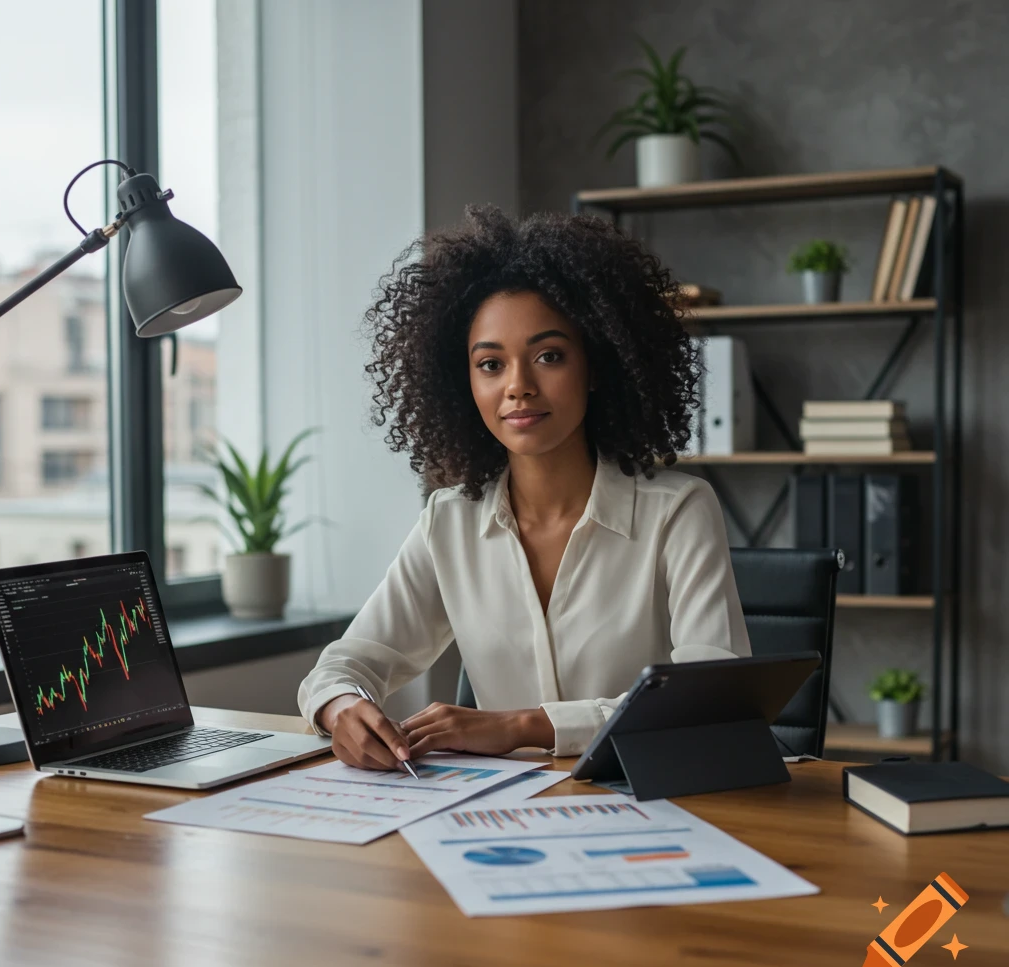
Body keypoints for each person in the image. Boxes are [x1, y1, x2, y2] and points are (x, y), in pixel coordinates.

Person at [297, 205, 751, 770]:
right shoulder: (449, 522)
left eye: (549, 356)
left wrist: (520, 726)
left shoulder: (679, 511)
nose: (518, 387)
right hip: (500, 820)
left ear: (597, 366)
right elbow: (346, 663)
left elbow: (705, 698)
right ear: (463, 382)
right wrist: (343, 708)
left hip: (645, 805)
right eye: (490, 364)